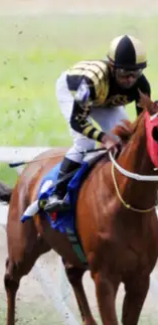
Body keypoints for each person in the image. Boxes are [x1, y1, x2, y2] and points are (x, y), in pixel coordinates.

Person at [43, 34, 151, 213]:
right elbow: (77, 121)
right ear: (112, 67)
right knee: (85, 142)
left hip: (105, 99)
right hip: (74, 92)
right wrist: (104, 138)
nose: (131, 80)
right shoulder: (92, 82)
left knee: (122, 137)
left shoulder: (141, 85)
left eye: (136, 73)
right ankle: (58, 192)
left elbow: (142, 126)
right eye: (125, 73)